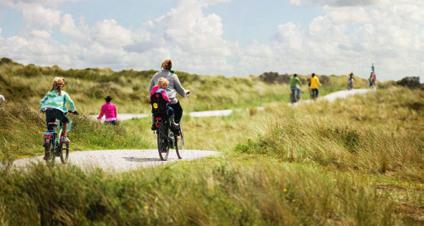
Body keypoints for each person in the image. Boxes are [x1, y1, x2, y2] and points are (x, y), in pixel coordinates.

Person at [40, 77, 77, 159]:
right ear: (62, 85)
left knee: (50, 130)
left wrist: (42, 109)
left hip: (48, 111)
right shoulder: (64, 93)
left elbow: (42, 101)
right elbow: (71, 102)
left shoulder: (49, 93)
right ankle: (64, 137)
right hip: (58, 111)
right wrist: (74, 110)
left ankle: (47, 150)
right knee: (65, 121)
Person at [148, 59, 190, 130]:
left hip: (157, 101)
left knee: (155, 111)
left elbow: (150, 89)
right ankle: (175, 125)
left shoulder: (156, 75)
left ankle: (154, 123)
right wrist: (185, 93)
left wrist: (152, 98)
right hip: (170, 101)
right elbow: (180, 89)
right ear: (171, 67)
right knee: (179, 110)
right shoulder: (173, 75)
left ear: (162, 65)